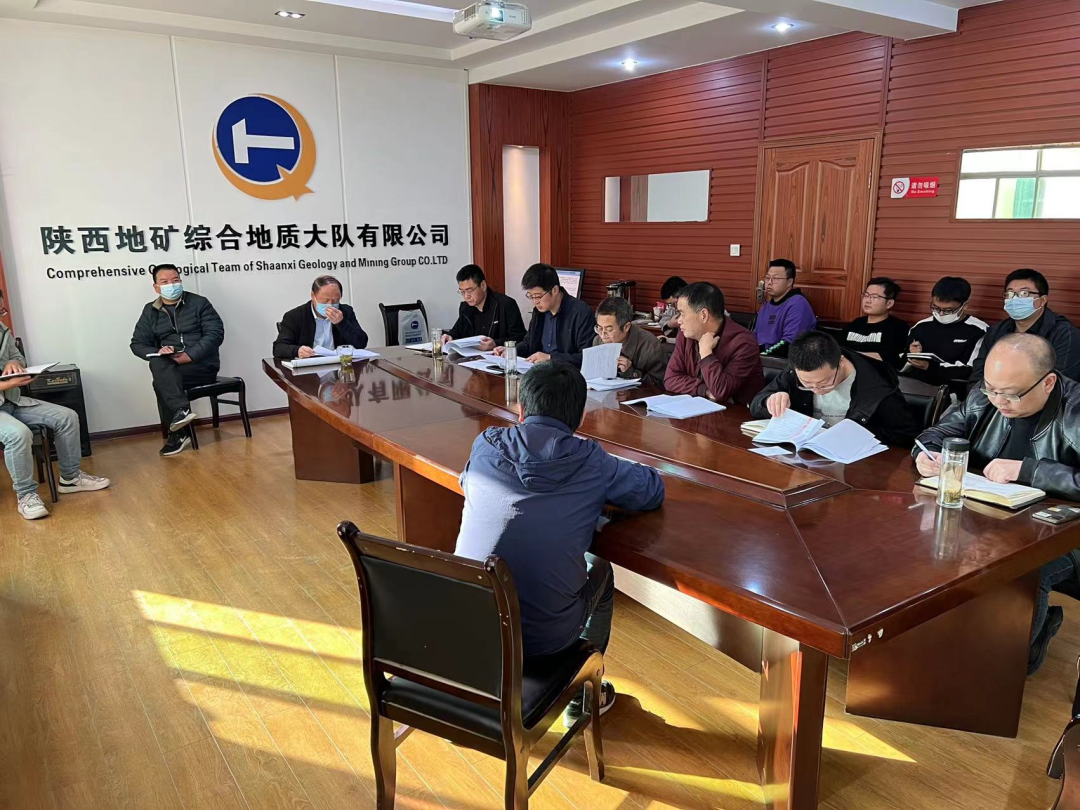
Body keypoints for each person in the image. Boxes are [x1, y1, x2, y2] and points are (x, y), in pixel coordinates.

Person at [455, 361, 665, 718]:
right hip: (544, 640)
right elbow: (652, 490)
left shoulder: (486, 444)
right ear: (580, 417)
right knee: (601, 571)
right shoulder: (592, 460)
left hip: (470, 623)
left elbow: (467, 482)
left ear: (521, 409)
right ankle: (581, 695)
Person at [913, 334, 1080, 674]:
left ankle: (1009, 662)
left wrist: (1029, 470)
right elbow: (939, 431)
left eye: (1011, 394)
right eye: (991, 389)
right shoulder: (986, 394)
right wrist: (926, 454)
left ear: (1048, 383)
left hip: (1061, 530)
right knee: (931, 544)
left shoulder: (1075, 411)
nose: (998, 401)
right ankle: (943, 644)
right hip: (990, 514)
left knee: (1021, 568)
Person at [0, 290, 109, 519]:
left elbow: (19, 358)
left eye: (1, 310)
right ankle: (26, 495)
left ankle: (70, 478)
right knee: (18, 434)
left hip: (13, 400)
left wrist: (12, 362)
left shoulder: (3, 330)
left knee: (67, 417)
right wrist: (8, 383)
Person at [751, 330, 918, 446]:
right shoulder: (797, 370)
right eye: (806, 384)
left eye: (824, 382)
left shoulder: (877, 384)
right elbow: (755, 405)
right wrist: (768, 401)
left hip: (855, 463)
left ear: (841, 362)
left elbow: (906, 435)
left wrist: (857, 433)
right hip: (806, 453)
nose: (816, 390)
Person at [130, 264, 225, 457]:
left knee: (161, 381)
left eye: (175, 281)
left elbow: (215, 334)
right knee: (158, 363)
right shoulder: (150, 311)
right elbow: (137, 343)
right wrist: (159, 351)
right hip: (171, 366)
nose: (171, 285)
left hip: (202, 365)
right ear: (156, 287)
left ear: (181, 282)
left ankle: (178, 434)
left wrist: (190, 355)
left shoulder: (199, 303)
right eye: (164, 282)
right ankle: (181, 412)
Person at [971, 269, 1080, 383]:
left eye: (1024, 294)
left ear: (1042, 300)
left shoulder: (1064, 334)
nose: (1015, 299)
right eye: (1010, 294)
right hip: (992, 393)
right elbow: (978, 375)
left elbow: (1060, 384)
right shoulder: (996, 331)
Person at [665, 282, 764, 405]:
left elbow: (720, 391)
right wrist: (705, 390)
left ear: (703, 315)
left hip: (737, 414)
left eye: (682, 314)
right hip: (698, 409)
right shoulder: (685, 335)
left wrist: (706, 353)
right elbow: (670, 379)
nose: (679, 320)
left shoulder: (744, 343)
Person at [495, 263, 595, 367]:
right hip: (537, 370)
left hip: (565, 373)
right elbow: (528, 343)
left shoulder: (580, 312)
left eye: (538, 296)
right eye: (531, 296)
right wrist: (511, 351)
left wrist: (550, 358)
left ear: (555, 290)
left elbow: (586, 357)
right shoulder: (539, 312)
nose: (535, 302)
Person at [904, 276, 988, 386]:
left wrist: (930, 366)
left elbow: (973, 370)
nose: (941, 314)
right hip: (915, 388)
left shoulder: (979, 330)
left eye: (948, 310)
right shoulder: (920, 327)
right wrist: (913, 355)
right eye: (936, 308)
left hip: (954, 390)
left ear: (965, 306)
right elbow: (901, 361)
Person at [273, 275, 368, 360]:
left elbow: (361, 343)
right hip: (309, 367)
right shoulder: (295, 316)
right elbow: (278, 348)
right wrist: (297, 350)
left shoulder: (346, 311)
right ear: (313, 296)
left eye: (335, 300)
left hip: (338, 366)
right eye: (325, 300)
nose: (330, 305)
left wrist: (341, 323)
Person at [443, 264, 526, 350]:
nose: (466, 296)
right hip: (471, 357)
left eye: (469, 291)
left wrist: (496, 343)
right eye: (462, 292)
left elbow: (520, 338)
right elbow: (457, 331)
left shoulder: (506, 304)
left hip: (498, 356)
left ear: (483, 286)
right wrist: (450, 336)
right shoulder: (465, 308)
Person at [593, 296, 666, 387]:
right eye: (599, 328)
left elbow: (661, 385)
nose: (603, 335)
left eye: (609, 329)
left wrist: (631, 372)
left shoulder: (650, 346)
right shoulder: (597, 341)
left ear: (626, 327)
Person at [842, 277, 910, 370]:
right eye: (866, 295)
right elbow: (837, 350)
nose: (868, 300)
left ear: (889, 303)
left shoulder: (898, 328)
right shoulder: (855, 323)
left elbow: (889, 359)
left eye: (875, 297)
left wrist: (850, 355)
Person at [755, 258, 817, 356]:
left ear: (789, 282)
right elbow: (754, 336)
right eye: (767, 278)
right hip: (761, 357)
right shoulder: (766, 306)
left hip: (781, 360)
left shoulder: (798, 304)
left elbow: (789, 344)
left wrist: (763, 354)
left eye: (775, 278)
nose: (769, 282)